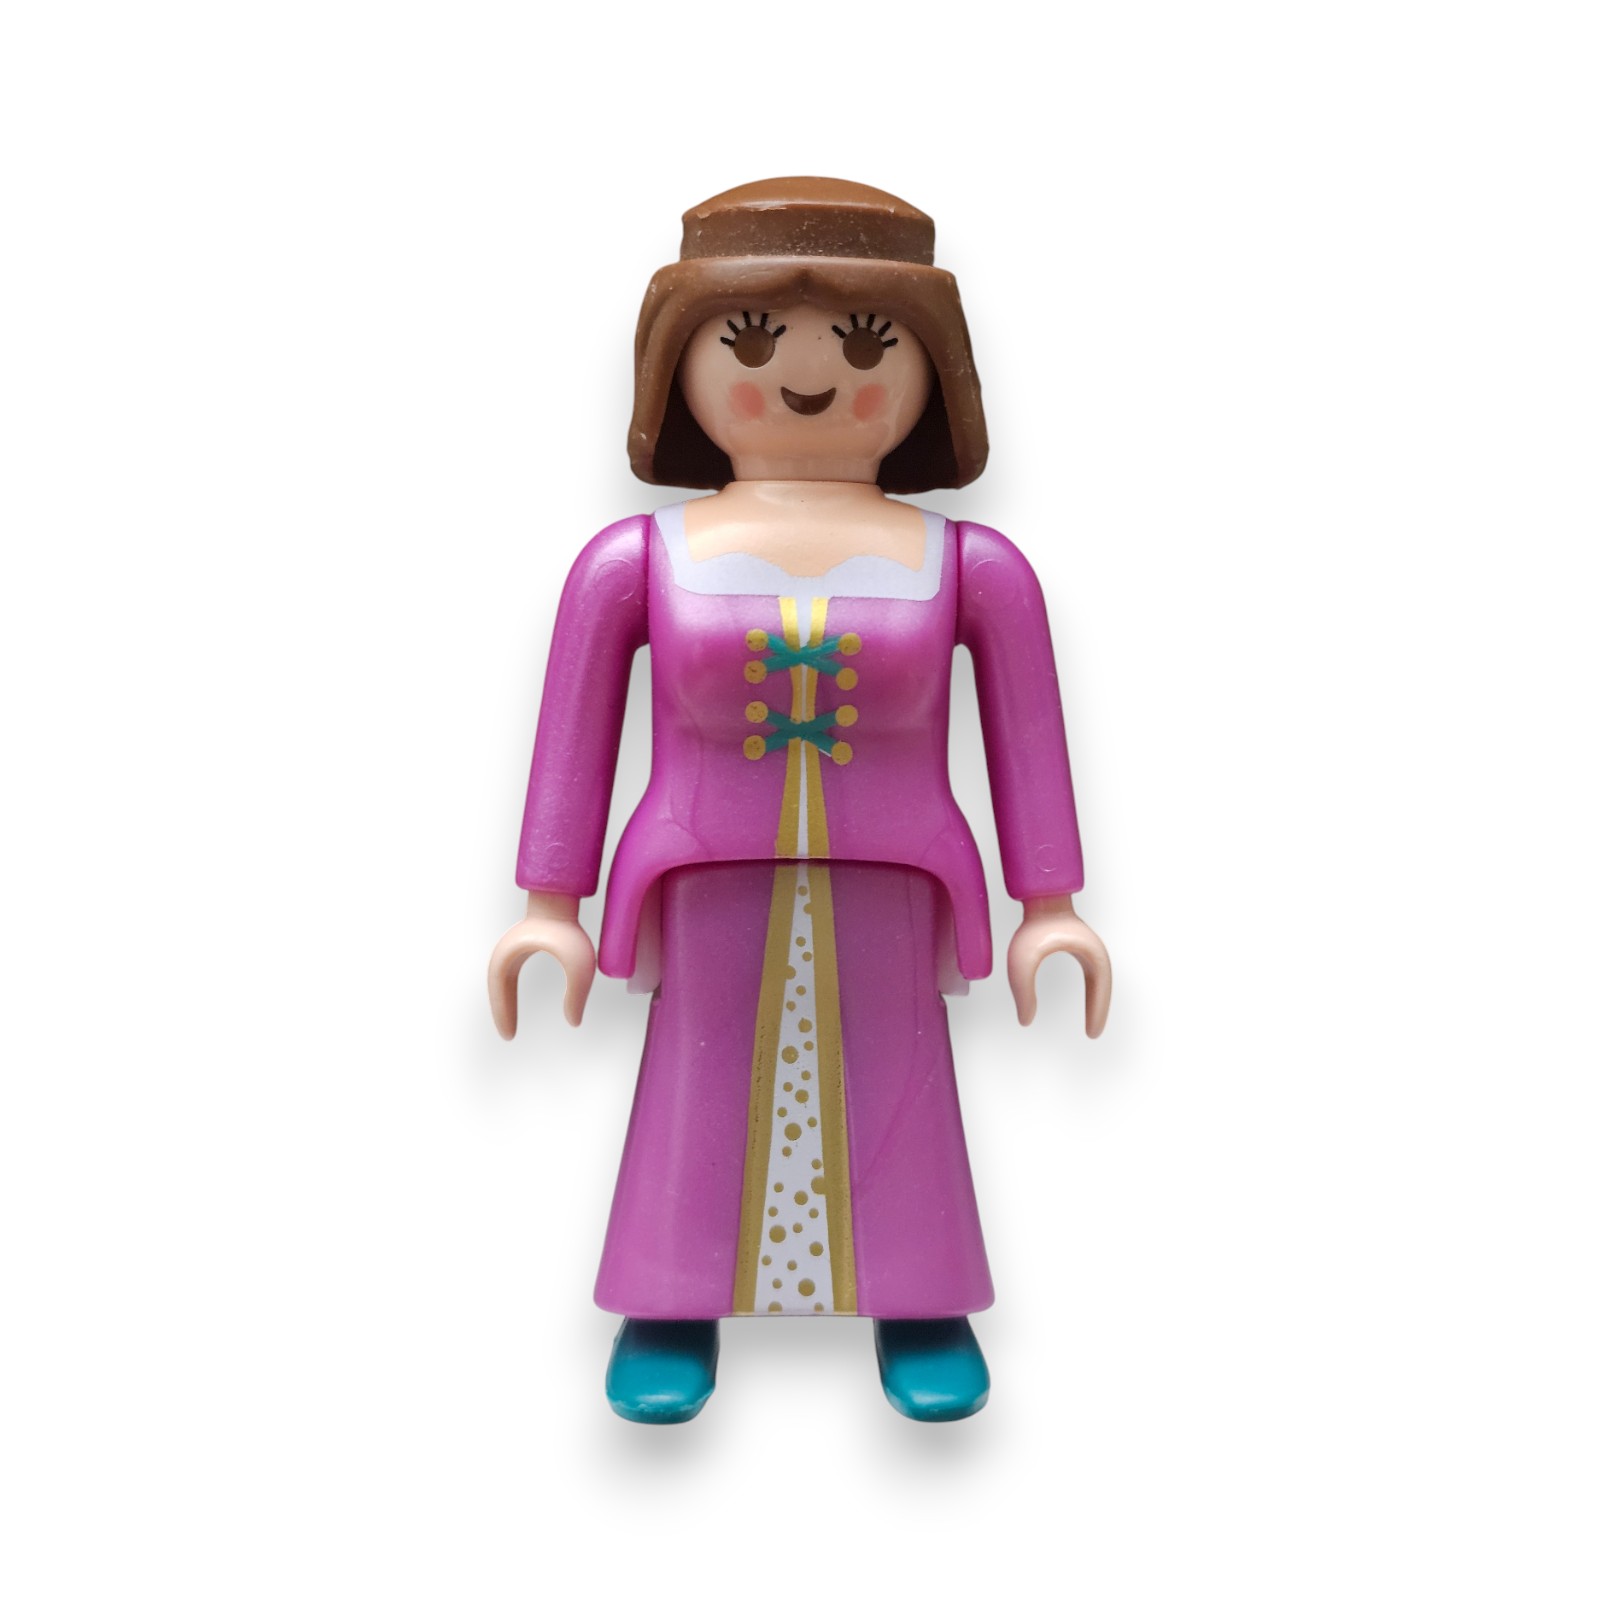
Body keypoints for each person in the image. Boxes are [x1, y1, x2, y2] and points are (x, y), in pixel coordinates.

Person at [488, 177, 1112, 1424]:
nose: (808, 378)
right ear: (680, 366)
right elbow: (573, 730)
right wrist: (548, 903)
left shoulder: (969, 565)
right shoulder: (639, 560)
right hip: (700, 872)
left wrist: (1052, 904)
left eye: (868, 347)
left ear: (934, 370)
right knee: (696, 1087)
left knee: (900, 1084)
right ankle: (669, 1300)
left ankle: (918, 1295)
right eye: (754, 340)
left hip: (897, 876)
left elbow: (1027, 736)